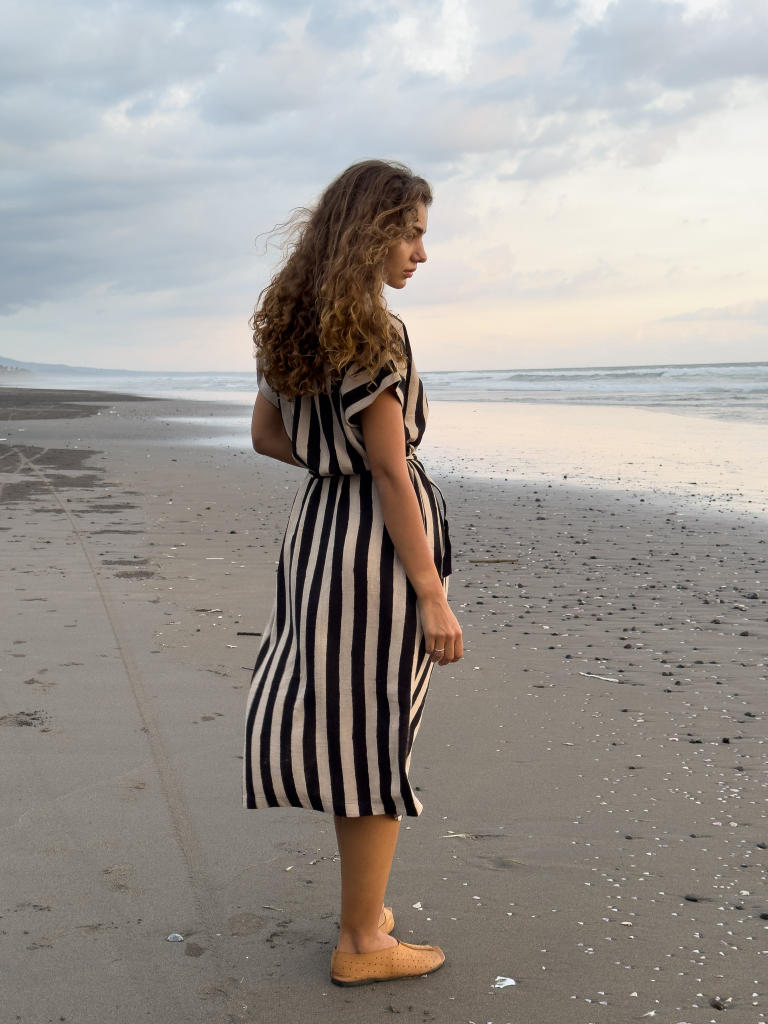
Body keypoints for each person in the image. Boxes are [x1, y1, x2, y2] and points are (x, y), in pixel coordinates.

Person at [244, 159, 462, 986]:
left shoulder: (292, 319)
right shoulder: (374, 330)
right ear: (371, 229)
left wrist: (327, 456)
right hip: (371, 551)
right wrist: (433, 595)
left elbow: (268, 437)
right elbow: (386, 469)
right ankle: (363, 943)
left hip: (317, 542)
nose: (419, 252)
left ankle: (366, 915)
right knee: (375, 741)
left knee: (352, 732)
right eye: (410, 232)